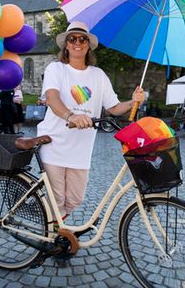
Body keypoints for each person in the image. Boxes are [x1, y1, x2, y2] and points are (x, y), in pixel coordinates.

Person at [37, 21, 144, 267]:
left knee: (73, 199)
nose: (77, 43)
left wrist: (133, 101)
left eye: (82, 39)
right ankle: (55, 241)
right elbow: (52, 97)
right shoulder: (56, 69)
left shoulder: (98, 75)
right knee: (55, 200)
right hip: (54, 143)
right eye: (72, 39)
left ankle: (58, 229)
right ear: (65, 45)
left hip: (81, 151)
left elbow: (114, 108)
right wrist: (70, 116)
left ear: (88, 46)